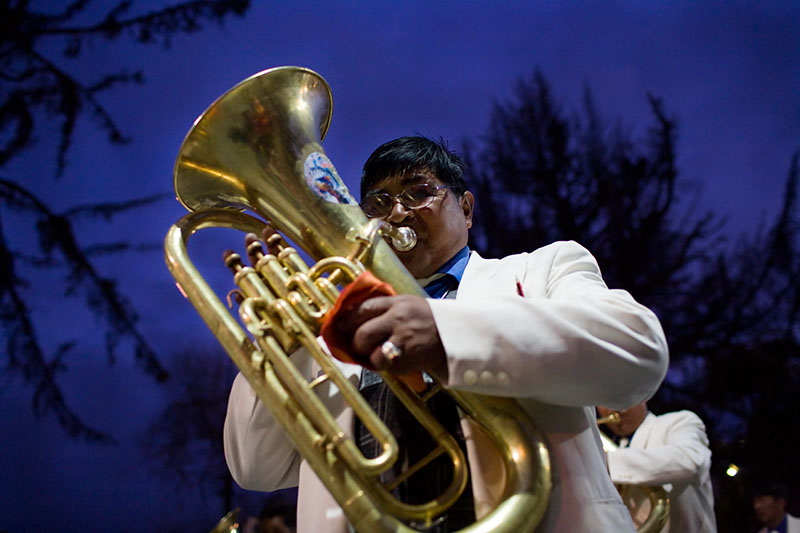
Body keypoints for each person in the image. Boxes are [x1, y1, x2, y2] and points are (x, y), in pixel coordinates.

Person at [223, 135, 669, 532]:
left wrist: (444, 333)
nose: (397, 213)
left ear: (467, 209)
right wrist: (287, 333)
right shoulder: (336, 336)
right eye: (377, 204)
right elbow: (255, 468)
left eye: (419, 193)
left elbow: (638, 349)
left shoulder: (540, 269)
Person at [596, 402, 717, 532]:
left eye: (621, 395)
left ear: (644, 396)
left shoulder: (680, 421)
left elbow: (690, 461)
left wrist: (609, 462)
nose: (614, 407)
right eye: (603, 401)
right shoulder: (618, 446)